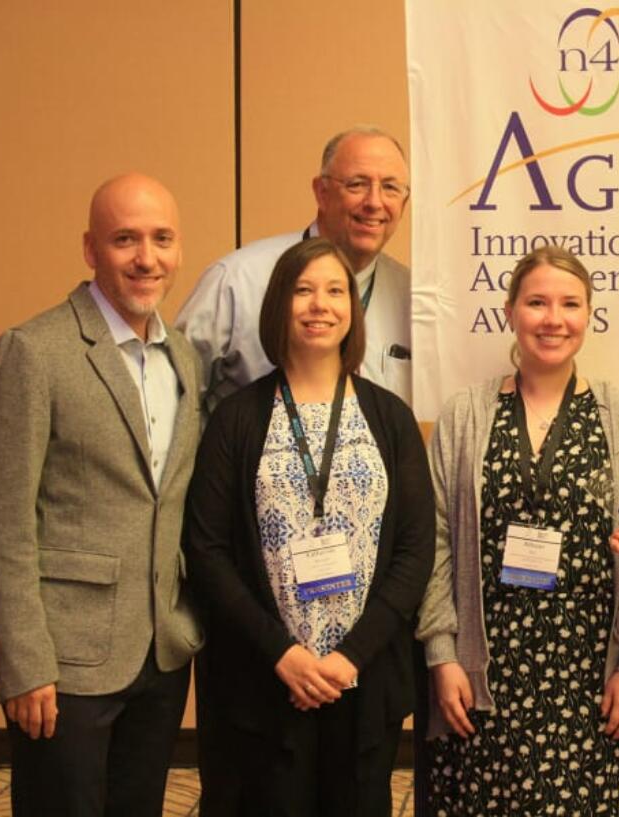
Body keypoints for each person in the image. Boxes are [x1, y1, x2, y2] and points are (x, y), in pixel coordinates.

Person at [0, 173, 204, 816]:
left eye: (161, 238)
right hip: (63, 661)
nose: (145, 258)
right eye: (125, 239)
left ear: (179, 250)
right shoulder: (32, 353)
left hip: (160, 650)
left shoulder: (184, 358)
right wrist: (23, 662)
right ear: (90, 249)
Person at [183, 237, 434, 815]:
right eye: (302, 290)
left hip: (361, 678)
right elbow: (208, 549)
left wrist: (351, 655)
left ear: (353, 308)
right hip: (262, 679)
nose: (319, 305)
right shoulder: (236, 419)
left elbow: (416, 550)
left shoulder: (389, 417)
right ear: (279, 306)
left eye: (335, 290)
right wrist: (283, 653)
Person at [417, 246, 619, 815]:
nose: (553, 318)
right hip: (488, 672)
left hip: (592, 674)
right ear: (510, 311)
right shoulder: (463, 416)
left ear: (588, 316)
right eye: (537, 302)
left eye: (569, 304)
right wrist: (442, 653)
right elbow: (433, 542)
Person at [177, 126, 413, 412]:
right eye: (357, 184)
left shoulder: (413, 298)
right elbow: (177, 403)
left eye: (390, 187)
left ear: (404, 203)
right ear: (321, 192)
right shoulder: (236, 281)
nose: (374, 202)